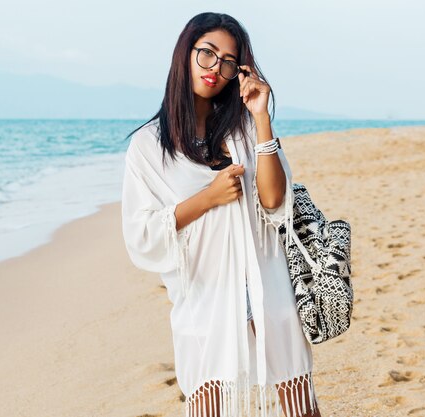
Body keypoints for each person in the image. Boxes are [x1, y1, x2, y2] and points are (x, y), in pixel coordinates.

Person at [121, 12, 322, 417]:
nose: (216, 69)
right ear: (185, 54)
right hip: (205, 297)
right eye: (207, 54)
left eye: (228, 62)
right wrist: (207, 199)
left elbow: (274, 201)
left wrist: (262, 117)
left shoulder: (245, 128)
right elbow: (141, 236)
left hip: (268, 285)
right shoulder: (148, 147)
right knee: (209, 406)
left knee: (301, 406)